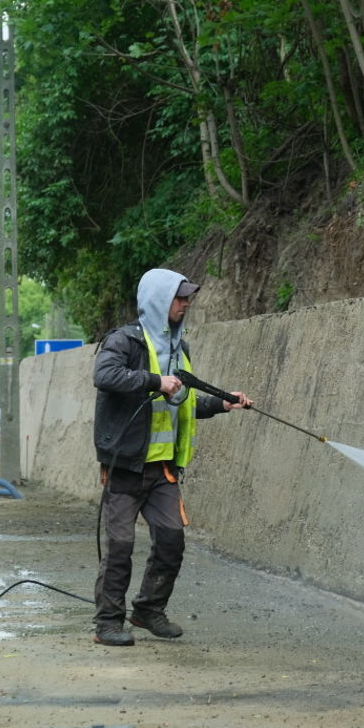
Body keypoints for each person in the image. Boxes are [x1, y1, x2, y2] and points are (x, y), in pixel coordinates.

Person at [91, 268, 252, 646]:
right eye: (179, 298)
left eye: (187, 298)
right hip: (125, 466)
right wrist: (154, 380)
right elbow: (105, 375)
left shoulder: (181, 349)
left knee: (171, 539)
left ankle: (147, 610)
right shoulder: (125, 342)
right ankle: (108, 623)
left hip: (163, 468)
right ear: (158, 301)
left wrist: (222, 405)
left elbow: (184, 403)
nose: (186, 304)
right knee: (120, 546)